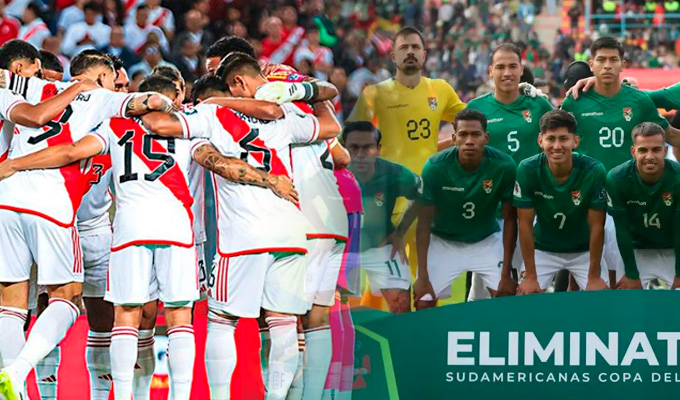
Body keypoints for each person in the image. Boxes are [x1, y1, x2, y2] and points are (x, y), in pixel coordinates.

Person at [0, 74, 297, 400]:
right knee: (179, 316)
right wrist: (270, 180)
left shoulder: (115, 127)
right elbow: (220, 164)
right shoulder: (188, 131)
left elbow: (70, 151)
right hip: (176, 230)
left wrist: (16, 164)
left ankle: (121, 396)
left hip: (129, 230)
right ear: (173, 99)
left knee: (126, 316)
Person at [140, 53, 341, 400]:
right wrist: (301, 91)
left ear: (232, 84)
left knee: (222, 321)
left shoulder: (211, 113)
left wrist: (204, 104)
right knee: (283, 324)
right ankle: (276, 397)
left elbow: (159, 125)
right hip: (291, 231)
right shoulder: (284, 114)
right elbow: (330, 125)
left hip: (244, 235)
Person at [0, 49, 175, 400]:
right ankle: (16, 372)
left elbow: (21, 98)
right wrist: (165, 101)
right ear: (103, 77)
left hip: (7, 197)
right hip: (52, 204)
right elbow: (154, 100)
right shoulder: (102, 98)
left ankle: (11, 388)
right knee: (67, 298)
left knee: (11, 304)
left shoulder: (31, 87)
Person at [348, 26, 465, 308]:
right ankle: (370, 331)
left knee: (426, 281)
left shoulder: (440, 90)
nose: (410, 52)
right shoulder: (374, 94)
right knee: (383, 283)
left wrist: (445, 144)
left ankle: (422, 334)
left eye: (415, 47)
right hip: (384, 201)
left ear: (424, 54)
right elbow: (350, 143)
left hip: (428, 199)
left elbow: (472, 121)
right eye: (403, 47)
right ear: (393, 56)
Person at [561, 36, 680, 288]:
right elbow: (556, 138)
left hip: (625, 198)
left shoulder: (639, 101)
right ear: (591, 64)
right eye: (601, 60)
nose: (607, 65)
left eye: (613, 60)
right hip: (585, 195)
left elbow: (669, 135)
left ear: (622, 64)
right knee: (579, 273)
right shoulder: (574, 101)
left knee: (616, 275)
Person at [462, 42, 554, 300]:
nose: (507, 72)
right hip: (491, 211)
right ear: (490, 71)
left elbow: (563, 135)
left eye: (513, 66)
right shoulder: (476, 108)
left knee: (529, 286)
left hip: (532, 209)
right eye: (500, 67)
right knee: (484, 291)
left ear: (521, 69)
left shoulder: (538, 106)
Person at [414, 109, 516, 308]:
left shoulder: (503, 165)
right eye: (463, 135)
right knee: (423, 301)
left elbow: (510, 219)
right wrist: (422, 276)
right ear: (454, 138)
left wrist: (506, 273)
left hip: (486, 240)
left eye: (476, 134)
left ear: (486, 138)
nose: (469, 141)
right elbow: (423, 222)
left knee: (506, 295)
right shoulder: (435, 167)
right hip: (443, 241)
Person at [513, 110, 610, 294]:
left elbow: (597, 226)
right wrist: (531, 276)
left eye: (563, 139)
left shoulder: (595, 170)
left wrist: (593, 277)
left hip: (584, 251)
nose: (557, 146)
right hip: (543, 249)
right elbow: (524, 225)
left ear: (576, 141)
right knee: (524, 296)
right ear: (540, 141)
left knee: (601, 298)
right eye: (551, 139)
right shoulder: (527, 169)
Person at [344, 121, 420, 314]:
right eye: (353, 147)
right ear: (343, 148)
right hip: (340, 249)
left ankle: (402, 336)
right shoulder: (329, 172)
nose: (360, 154)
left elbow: (422, 195)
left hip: (381, 244)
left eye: (367, 147)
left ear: (378, 149)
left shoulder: (395, 173)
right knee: (321, 309)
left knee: (400, 302)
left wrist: (400, 232)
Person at [606, 122, 680, 289]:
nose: (650, 156)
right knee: (626, 300)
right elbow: (622, 229)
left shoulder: (677, 177)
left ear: (665, 151)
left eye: (656, 149)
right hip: (634, 249)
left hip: (673, 249)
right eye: (643, 150)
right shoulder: (617, 178)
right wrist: (631, 273)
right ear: (633, 152)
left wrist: (679, 273)